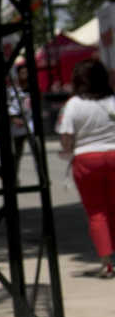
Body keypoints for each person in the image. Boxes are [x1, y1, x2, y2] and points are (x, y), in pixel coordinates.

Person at [57, 59, 115, 278]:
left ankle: (106, 262)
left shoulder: (73, 104)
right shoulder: (112, 101)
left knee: (97, 212)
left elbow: (66, 138)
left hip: (87, 159)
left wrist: (67, 149)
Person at [7, 62, 36, 165]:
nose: (25, 74)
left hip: (31, 127)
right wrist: (14, 119)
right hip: (17, 128)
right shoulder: (12, 91)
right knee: (17, 154)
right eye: (22, 72)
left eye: (26, 72)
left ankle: (43, 177)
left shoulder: (34, 90)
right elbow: (7, 108)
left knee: (37, 153)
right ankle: (14, 179)